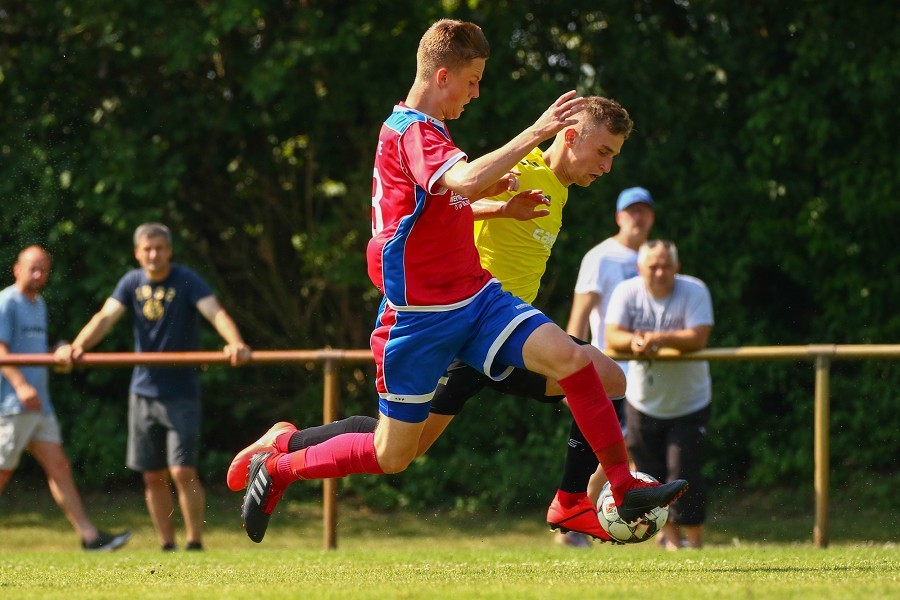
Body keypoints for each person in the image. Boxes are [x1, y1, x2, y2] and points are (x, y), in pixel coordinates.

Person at [236, 19, 687, 544]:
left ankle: (616, 486)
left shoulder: (434, 133)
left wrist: (499, 207)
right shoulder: (411, 130)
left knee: (579, 363)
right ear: (444, 75)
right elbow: (465, 181)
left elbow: (451, 202)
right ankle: (283, 462)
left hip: (478, 299)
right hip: (421, 318)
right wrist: (537, 131)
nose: (477, 92)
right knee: (394, 453)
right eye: (473, 80)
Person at [54, 224, 252, 551]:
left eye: (160, 248)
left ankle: (194, 543)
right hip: (143, 391)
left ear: (169, 250)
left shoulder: (186, 279)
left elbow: (216, 313)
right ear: (137, 253)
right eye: (147, 249)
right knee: (151, 474)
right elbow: (105, 317)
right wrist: (78, 346)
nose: (154, 255)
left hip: (181, 392)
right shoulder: (131, 282)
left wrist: (235, 343)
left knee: (182, 470)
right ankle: (167, 545)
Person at [0, 246, 131, 551]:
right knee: (3, 472)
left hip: (39, 405)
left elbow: (34, 349)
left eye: (44, 269)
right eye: (33, 268)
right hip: (11, 406)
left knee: (59, 467)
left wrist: (57, 350)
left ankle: (90, 537)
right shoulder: (7, 302)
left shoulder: (38, 304)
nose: (38, 274)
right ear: (16, 269)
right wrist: (21, 386)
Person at [604, 240, 713, 550]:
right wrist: (637, 342)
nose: (660, 272)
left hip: (689, 402)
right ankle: (670, 544)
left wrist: (656, 338)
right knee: (651, 478)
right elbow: (613, 335)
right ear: (640, 269)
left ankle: (696, 545)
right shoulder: (627, 292)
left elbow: (698, 337)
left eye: (666, 265)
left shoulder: (694, 290)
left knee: (684, 472)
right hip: (643, 402)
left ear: (677, 267)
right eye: (653, 266)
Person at [562, 186, 656, 544]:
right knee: (609, 450)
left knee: (628, 450)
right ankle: (577, 517)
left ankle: (587, 518)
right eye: (631, 210)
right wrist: (568, 372)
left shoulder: (655, 257)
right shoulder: (600, 257)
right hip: (607, 375)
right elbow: (579, 319)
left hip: (646, 377)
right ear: (618, 217)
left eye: (644, 210)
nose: (638, 216)